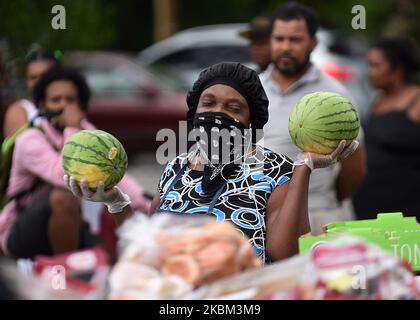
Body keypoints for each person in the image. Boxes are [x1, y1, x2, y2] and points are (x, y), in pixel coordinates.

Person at [64, 62, 358, 263]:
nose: (218, 113)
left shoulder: (276, 170)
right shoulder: (176, 168)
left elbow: (284, 253)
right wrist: (117, 202)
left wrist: (303, 168)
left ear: (250, 121)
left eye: (233, 108)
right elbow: (145, 246)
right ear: (194, 111)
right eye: (209, 103)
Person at [0, 67, 148, 259]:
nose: (64, 106)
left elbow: (110, 173)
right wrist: (72, 128)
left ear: (81, 106)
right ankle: (65, 273)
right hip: (21, 227)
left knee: (107, 261)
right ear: (42, 106)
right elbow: (68, 176)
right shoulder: (30, 139)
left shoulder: (86, 131)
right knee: (64, 196)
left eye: (71, 100)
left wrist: (144, 202)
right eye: (56, 100)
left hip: (72, 223)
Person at [259, 2, 366, 234]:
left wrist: (326, 199)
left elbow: (354, 167)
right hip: (262, 211)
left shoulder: (335, 93)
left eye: (295, 39)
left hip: (317, 214)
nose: (285, 47)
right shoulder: (253, 88)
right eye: (279, 39)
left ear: (313, 42)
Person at [352, 37, 420, 221]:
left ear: (397, 69)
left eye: (376, 66)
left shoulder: (416, 100)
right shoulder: (377, 100)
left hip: (406, 206)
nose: (369, 72)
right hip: (369, 204)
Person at [3, 49, 59, 138]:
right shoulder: (19, 110)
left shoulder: (67, 104)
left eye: (44, 76)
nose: (38, 82)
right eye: (33, 77)